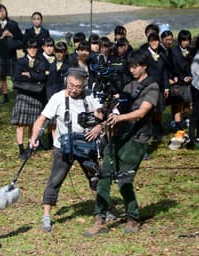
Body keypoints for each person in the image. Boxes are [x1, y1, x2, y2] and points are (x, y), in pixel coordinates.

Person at [83, 50, 159, 236]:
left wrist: (120, 118)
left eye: (136, 66)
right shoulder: (127, 85)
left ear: (144, 66)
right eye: (130, 66)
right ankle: (99, 219)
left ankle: (133, 218)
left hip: (137, 138)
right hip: (118, 135)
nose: (132, 70)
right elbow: (115, 104)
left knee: (125, 179)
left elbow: (142, 112)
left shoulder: (152, 86)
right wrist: (103, 110)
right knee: (104, 176)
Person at [29, 67, 103, 232]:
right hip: (63, 147)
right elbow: (41, 119)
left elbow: (101, 115)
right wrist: (34, 138)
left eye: (78, 86)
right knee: (55, 181)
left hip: (86, 145)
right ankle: (46, 216)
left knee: (95, 179)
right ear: (66, 82)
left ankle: (102, 211)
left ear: (84, 85)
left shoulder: (91, 96)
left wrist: (99, 127)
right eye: (71, 85)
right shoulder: (57, 98)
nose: (74, 90)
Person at [12, 40, 47, 159]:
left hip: (36, 95)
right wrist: (35, 77)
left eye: (35, 48)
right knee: (20, 124)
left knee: (33, 123)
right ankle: (21, 149)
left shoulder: (41, 61)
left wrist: (29, 74)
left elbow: (42, 77)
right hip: (23, 95)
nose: (32, 50)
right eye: (30, 48)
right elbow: (16, 77)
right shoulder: (20, 61)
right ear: (26, 49)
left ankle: (30, 146)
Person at [0, 4, 23, 104]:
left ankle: (19, 94)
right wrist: (1, 36)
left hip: (11, 53)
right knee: (2, 76)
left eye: (3, 11)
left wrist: (11, 35)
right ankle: (5, 96)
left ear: (6, 11)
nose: (2, 13)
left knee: (14, 75)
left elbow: (20, 37)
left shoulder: (13, 23)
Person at [172, 30, 194, 132]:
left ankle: (187, 119)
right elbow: (174, 66)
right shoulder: (174, 51)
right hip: (179, 81)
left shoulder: (190, 50)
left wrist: (190, 76)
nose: (186, 42)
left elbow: (192, 65)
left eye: (187, 40)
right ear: (180, 40)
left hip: (189, 80)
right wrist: (181, 77)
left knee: (187, 101)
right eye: (184, 40)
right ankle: (177, 124)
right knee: (178, 103)